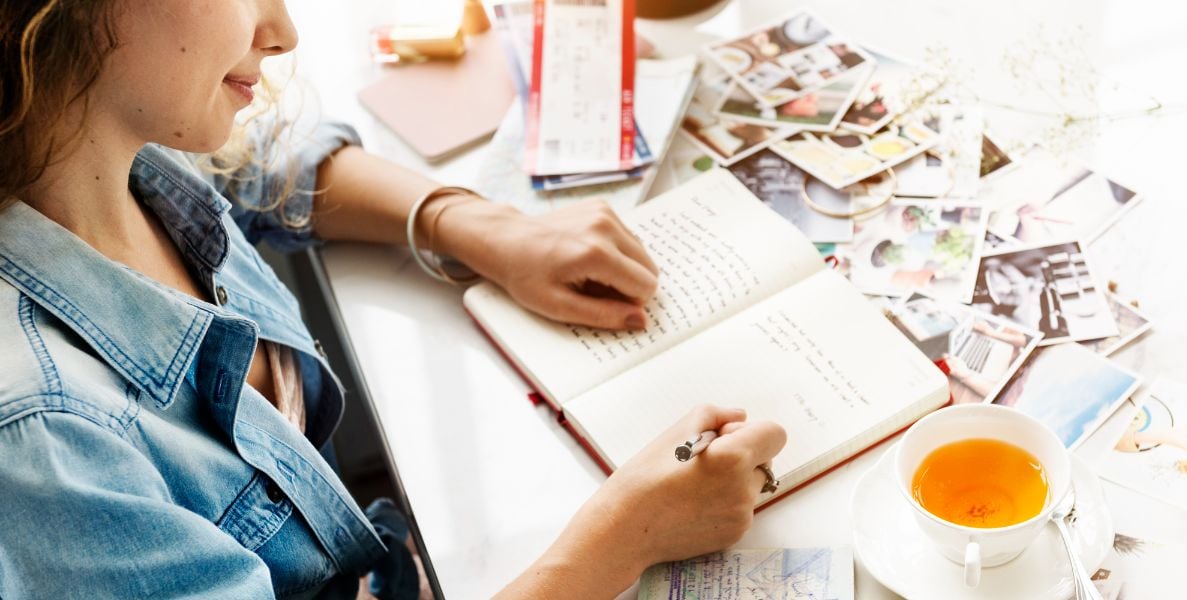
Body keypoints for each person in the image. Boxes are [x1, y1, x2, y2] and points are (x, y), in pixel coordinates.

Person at [0, 1, 786, 599]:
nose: (280, 31)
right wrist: (624, 541)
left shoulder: (109, 152)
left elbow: (259, 165)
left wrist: (469, 222)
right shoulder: (46, 447)